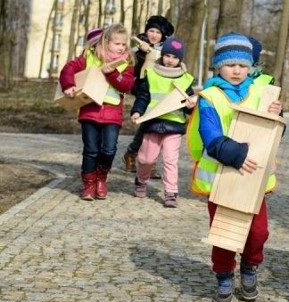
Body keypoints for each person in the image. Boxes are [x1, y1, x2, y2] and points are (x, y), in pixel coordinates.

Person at [186, 32, 282, 302]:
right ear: (219, 66)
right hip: (222, 175)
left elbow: (272, 133)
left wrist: (277, 114)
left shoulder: (262, 92)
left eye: (242, 65)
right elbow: (210, 135)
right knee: (225, 233)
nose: (237, 70)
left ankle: (250, 267)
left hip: (254, 178)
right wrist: (237, 155)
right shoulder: (210, 97)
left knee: (258, 232)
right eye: (230, 65)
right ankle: (224, 275)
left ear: (251, 66)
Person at [58, 23, 135, 201]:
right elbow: (68, 69)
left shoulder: (127, 63)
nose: (121, 47)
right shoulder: (89, 57)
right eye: (117, 44)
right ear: (106, 41)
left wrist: (112, 73)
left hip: (112, 113)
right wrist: (68, 85)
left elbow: (127, 85)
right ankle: (89, 183)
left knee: (109, 149)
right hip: (90, 112)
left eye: (124, 44)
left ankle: (101, 178)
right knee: (91, 150)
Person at [130, 37, 198, 207]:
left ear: (180, 60)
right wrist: (137, 111)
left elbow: (189, 104)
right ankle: (141, 180)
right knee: (146, 159)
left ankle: (171, 193)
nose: (170, 60)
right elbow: (143, 97)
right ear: (162, 56)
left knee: (170, 159)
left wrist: (191, 105)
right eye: (167, 55)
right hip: (152, 123)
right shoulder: (151, 74)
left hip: (174, 126)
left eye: (175, 57)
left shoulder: (186, 79)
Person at [122, 15, 175, 174]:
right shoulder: (137, 49)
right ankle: (137, 157)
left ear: (163, 35)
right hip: (143, 91)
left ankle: (140, 157)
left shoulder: (167, 51)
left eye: (158, 32)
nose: (153, 35)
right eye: (151, 30)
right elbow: (133, 71)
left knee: (156, 127)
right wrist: (143, 54)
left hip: (160, 92)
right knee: (147, 124)